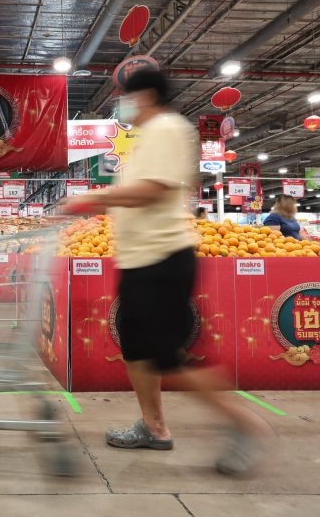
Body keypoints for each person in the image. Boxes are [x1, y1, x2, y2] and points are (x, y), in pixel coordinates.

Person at [62, 69, 273, 475]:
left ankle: (246, 425)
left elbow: (151, 190)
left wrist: (91, 199)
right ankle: (154, 427)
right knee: (137, 350)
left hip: (162, 261)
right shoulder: (147, 137)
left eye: (125, 97)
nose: (122, 105)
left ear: (144, 96)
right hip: (139, 261)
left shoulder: (167, 128)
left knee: (166, 356)